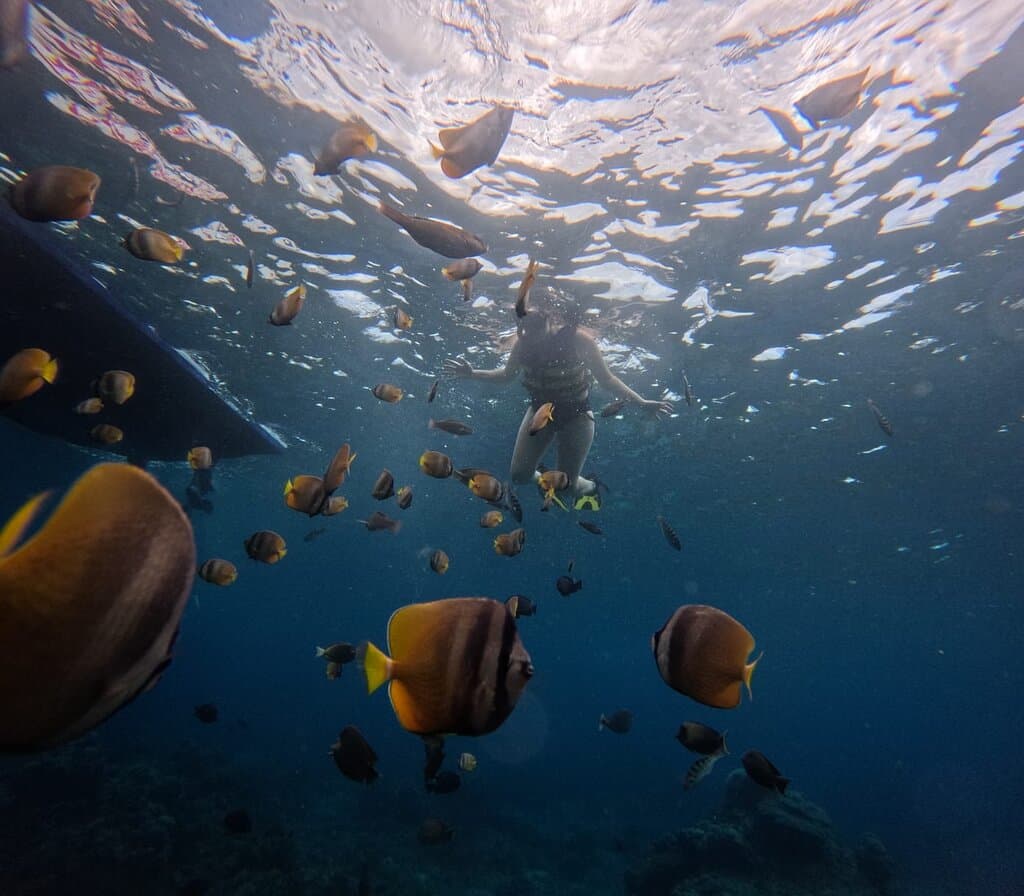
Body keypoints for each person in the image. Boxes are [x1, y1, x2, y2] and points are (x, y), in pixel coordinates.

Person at [443, 292, 672, 506]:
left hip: (577, 414)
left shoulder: (579, 340)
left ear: (550, 322)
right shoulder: (523, 345)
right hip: (539, 411)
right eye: (524, 332)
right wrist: (472, 374)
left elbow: (606, 379)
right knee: (520, 476)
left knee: (567, 488)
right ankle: (546, 479)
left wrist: (642, 403)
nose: (532, 339)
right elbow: (506, 375)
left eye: (535, 332)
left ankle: (591, 486)